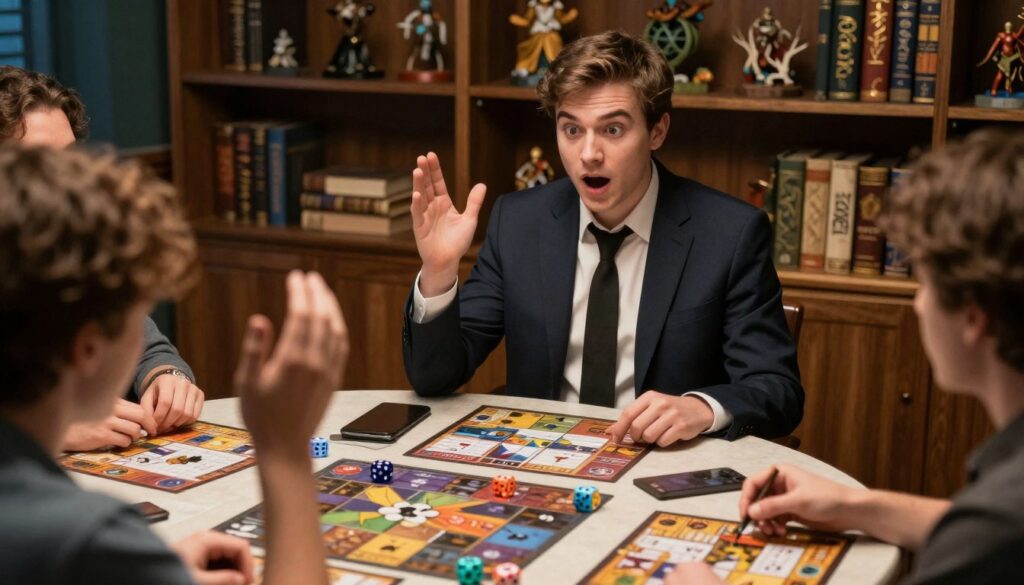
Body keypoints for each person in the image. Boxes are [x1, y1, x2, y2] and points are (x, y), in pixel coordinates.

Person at [402, 31, 803, 446]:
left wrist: (702, 408)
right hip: (541, 464)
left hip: (663, 466)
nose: (588, 154)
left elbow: (778, 390)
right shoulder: (519, 222)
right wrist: (438, 271)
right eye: (572, 130)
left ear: (657, 131)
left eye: (612, 129)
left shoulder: (730, 234)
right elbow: (435, 377)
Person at [668, 128, 1024, 584]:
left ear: (974, 320)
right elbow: (978, 527)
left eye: (926, 283)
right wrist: (857, 506)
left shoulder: (998, 534)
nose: (918, 304)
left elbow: (989, 535)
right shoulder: (999, 517)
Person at [0, 145, 346, 585]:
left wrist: (146, 569)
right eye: (137, 313)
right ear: (87, 351)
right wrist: (284, 451)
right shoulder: (83, 538)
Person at [0, 65, 205, 451]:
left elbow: (148, 346)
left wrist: (166, 376)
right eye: (41, 165)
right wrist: (52, 429)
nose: (67, 182)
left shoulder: (74, 244)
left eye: (70, 160)